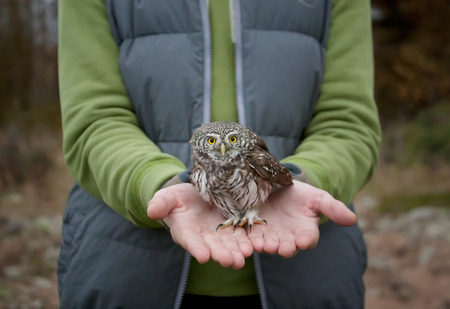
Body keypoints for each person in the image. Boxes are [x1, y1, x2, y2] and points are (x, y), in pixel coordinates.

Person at [57, 0, 381, 308]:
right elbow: (94, 121)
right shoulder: (195, 173)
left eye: (228, 142)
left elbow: (347, 121)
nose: (223, 149)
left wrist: (302, 180)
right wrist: (156, 184)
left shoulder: (256, 161)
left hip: (308, 278)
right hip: (126, 275)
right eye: (213, 143)